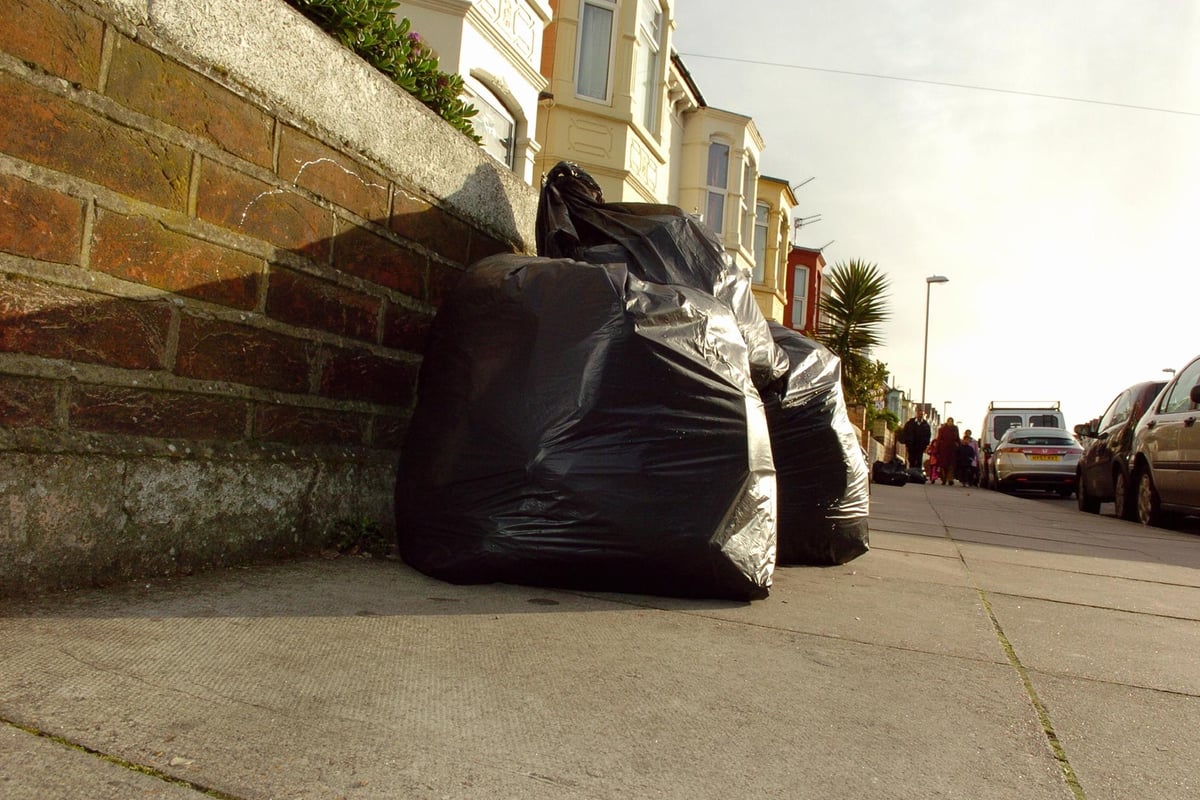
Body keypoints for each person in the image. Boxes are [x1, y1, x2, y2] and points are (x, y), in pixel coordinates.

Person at [901, 408, 932, 475]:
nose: (920, 416)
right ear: (916, 414)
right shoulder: (910, 423)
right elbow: (905, 432)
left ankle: (917, 474)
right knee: (911, 459)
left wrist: (926, 444)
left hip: (920, 446)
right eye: (919, 414)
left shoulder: (926, 425)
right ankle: (911, 473)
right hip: (911, 445)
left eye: (921, 414)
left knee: (919, 460)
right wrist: (906, 442)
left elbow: (928, 435)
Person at [933, 416, 961, 486]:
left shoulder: (955, 429)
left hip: (952, 450)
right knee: (943, 466)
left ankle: (950, 479)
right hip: (944, 450)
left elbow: (957, 438)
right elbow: (939, 439)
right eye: (949, 421)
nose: (950, 423)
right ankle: (944, 479)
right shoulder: (942, 429)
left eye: (951, 421)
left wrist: (959, 446)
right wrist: (937, 449)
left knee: (951, 466)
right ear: (947, 422)